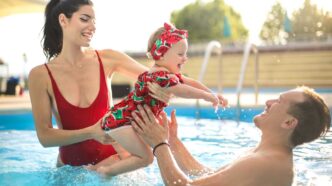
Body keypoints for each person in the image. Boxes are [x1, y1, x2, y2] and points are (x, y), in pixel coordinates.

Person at [28, 0, 170, 168]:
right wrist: (91, 133)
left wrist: (162, 88)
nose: (92, 27)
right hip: (69, 173)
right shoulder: (40, 75)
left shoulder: (108, 59)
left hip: (113, 167)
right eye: (85, 19)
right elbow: (45, 137)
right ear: (63, 20)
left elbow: (158, 78)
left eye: (94, 21)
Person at [88, 22, 228, 176]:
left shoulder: (165, 75)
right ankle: (105, 173)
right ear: (161, 54)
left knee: (129, 159)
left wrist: (212, 94)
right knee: (146, 158)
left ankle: (93, 170)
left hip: (121, 120)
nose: (185, 58)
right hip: (122, 123)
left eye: (185, 54)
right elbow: (184, 90)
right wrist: (207, 96)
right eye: (180, 54)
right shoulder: (159, 76)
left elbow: (191, 83)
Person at [131, 86, 331, 186]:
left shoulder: (266, 163)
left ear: (288, 123)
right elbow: (205, 176)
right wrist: (173, 143)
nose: (269, 102)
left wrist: (159, 144)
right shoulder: (264, 155)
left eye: (279, 101)